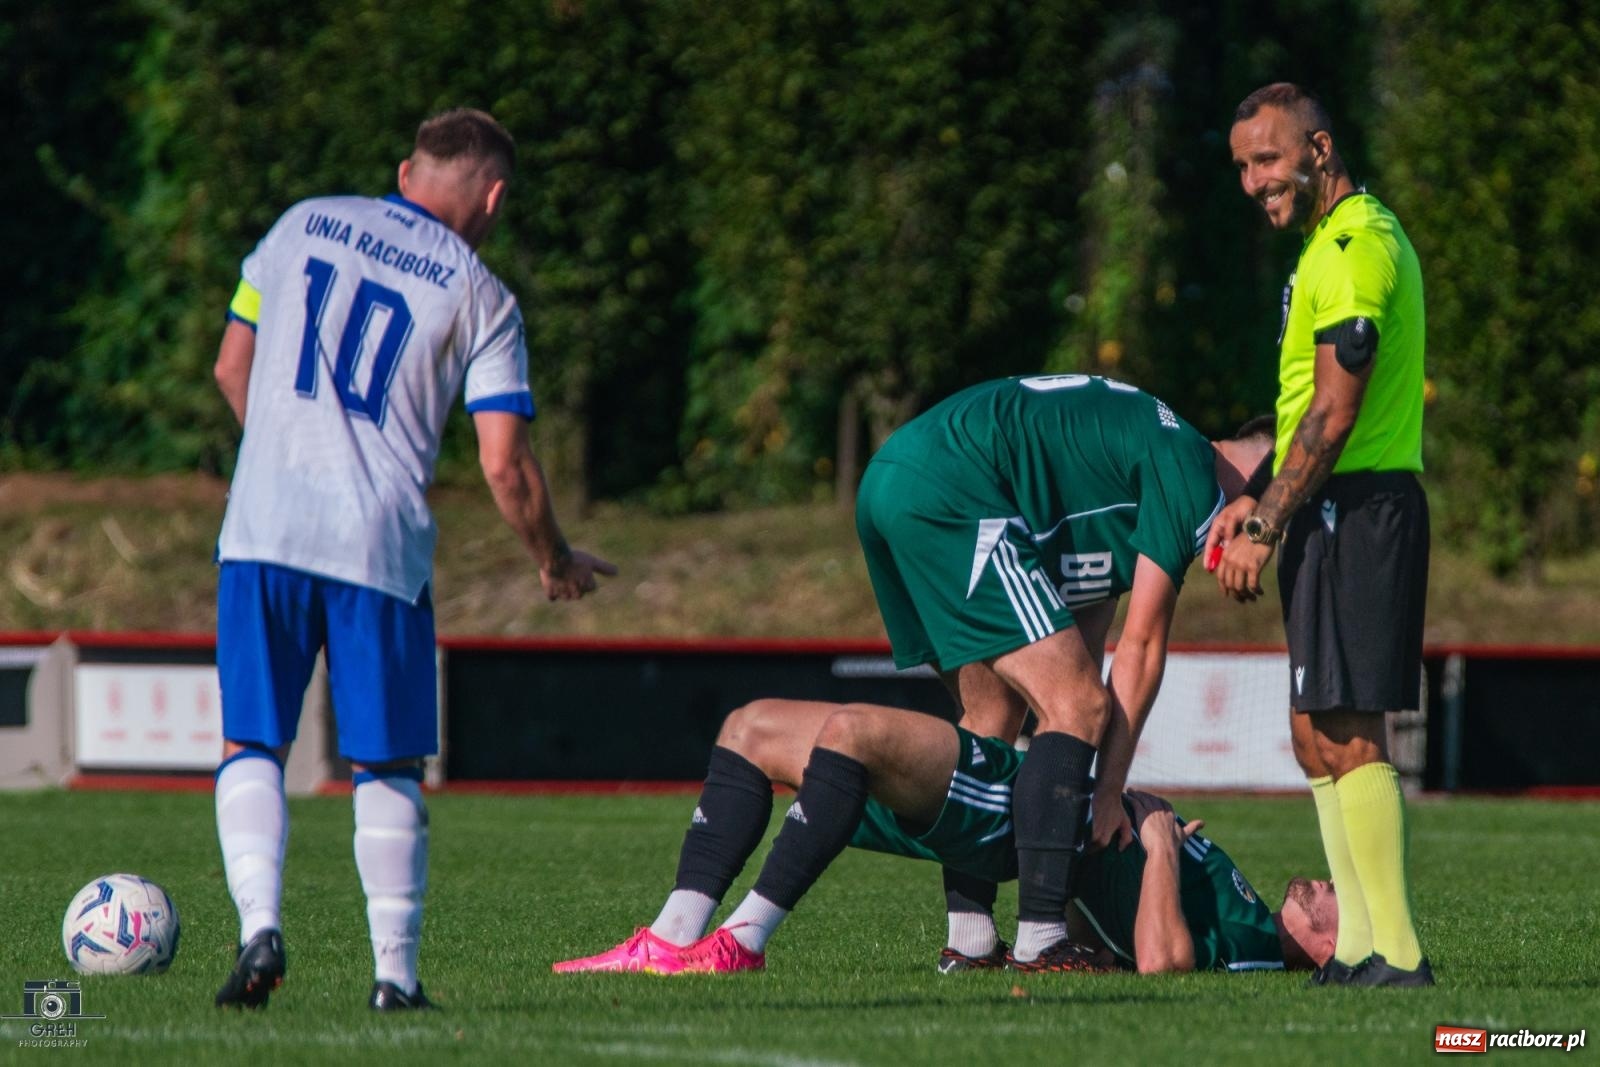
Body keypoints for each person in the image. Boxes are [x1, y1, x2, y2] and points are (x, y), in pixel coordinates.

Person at [209, 108, 614, 1011]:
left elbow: (231, 370)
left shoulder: (299, 223)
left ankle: (259, 928)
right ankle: (393, 976)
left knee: (252, 742)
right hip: (376, 544)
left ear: (405, 172)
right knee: (384, 763)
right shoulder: (483, 295)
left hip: (262, 528)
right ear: (496, 197)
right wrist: (553, 559)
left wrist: (287, 458)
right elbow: (504, 463)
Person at [858, 374, 1270, 971]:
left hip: (896, 473)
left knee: (992, 718)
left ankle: (970, 941)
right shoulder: (1190, 470)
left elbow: (1089, 639)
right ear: (1263, 474)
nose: (1257, 547)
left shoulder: (1120, 480)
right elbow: (1143, 646)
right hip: (951, 483)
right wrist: (1106, 794)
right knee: (1077, 704)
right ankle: (1042, 937)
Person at [552, 698, 1340, 975]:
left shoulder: (1251, 950)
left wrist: (1161, 846)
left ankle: (742, 940)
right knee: (749, 726)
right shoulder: (1253, 910)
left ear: (1331, 949)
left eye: (1341, 901)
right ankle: (671, 935)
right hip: (1037, 799)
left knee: (855, 730)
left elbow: (1164, 960)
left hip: (1015, 812)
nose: (1330, 884)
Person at [1207, 83, 1432, 987]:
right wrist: (1255, 489)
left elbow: (1336, 414)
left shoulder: (1355, 246)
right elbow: (1301, 406)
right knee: (1312, 729)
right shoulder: (1319, 250)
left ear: (1320, 149)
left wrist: (1265, 520)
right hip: (1326, 506)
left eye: (1268, 158)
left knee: (1348, 724)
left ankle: (1399, 953)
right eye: (1243, 166)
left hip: (1363, 505)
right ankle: (1351, 946)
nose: (1256, 180)